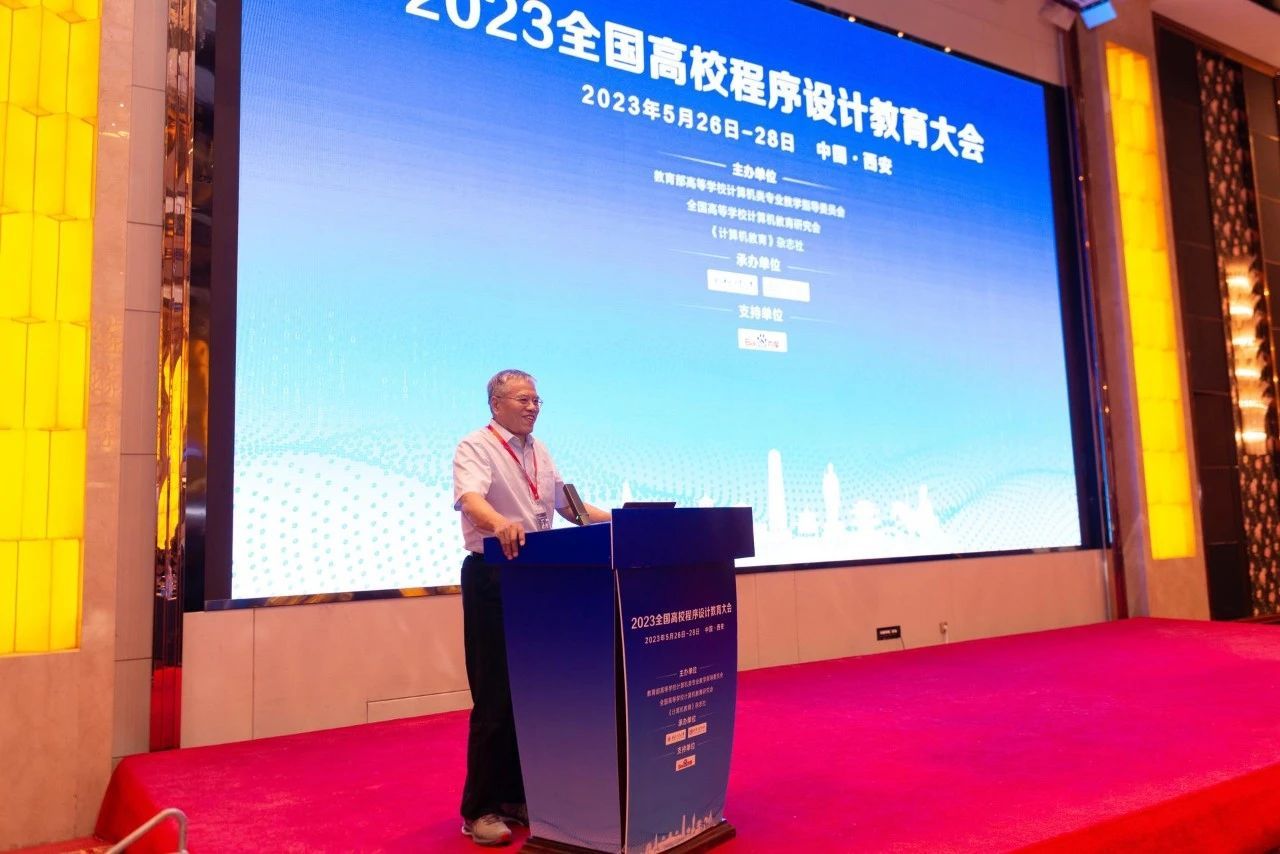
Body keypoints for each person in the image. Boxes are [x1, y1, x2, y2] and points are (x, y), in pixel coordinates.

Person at [453, 369, 610, 846]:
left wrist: (623, 521)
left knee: (534, 694)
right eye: (523, 399)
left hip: (539, 578)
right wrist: (500, 523)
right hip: (495, 576)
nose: (533, 407)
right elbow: (471, 500)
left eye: (537, 400)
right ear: (496, 403)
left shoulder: (539, 450)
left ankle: (518, 795)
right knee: (495, 695)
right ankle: (479, 809)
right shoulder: (476, 446)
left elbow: (568, 507)